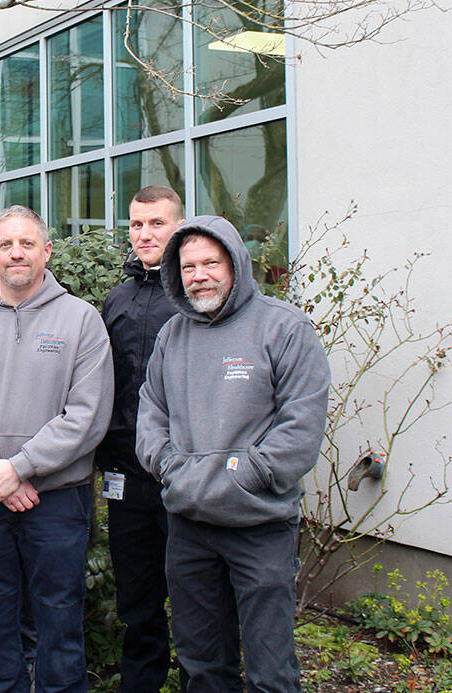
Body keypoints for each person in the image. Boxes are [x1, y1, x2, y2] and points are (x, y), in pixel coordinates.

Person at [135, 216, 331, 693]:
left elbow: (300, 427)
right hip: (189, 528)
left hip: (258, 526)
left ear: (236, 264)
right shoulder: (171, 337)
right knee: (202, 667)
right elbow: (151, 414)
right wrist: (168, 467)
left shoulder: (285, 329)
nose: (198, 275)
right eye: (187, 267)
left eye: (210, 263)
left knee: (270, 671)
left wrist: (245, 476)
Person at [0, 205, 113, 693]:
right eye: (6, 245)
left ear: (47, 251)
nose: (16, 253)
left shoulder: (82, 321)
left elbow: (86, 415)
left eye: (27, 243)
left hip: (57, 502)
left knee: (59, 624)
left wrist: (22, 469)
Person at [97, 185, 186, 693]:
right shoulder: (119, 297)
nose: (145, 234)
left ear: (178, 225)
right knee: (138, 598)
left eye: (156, 223)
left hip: (185, 478)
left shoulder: (195, 293)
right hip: (126, 478)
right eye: (136, 225)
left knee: (196, 596)